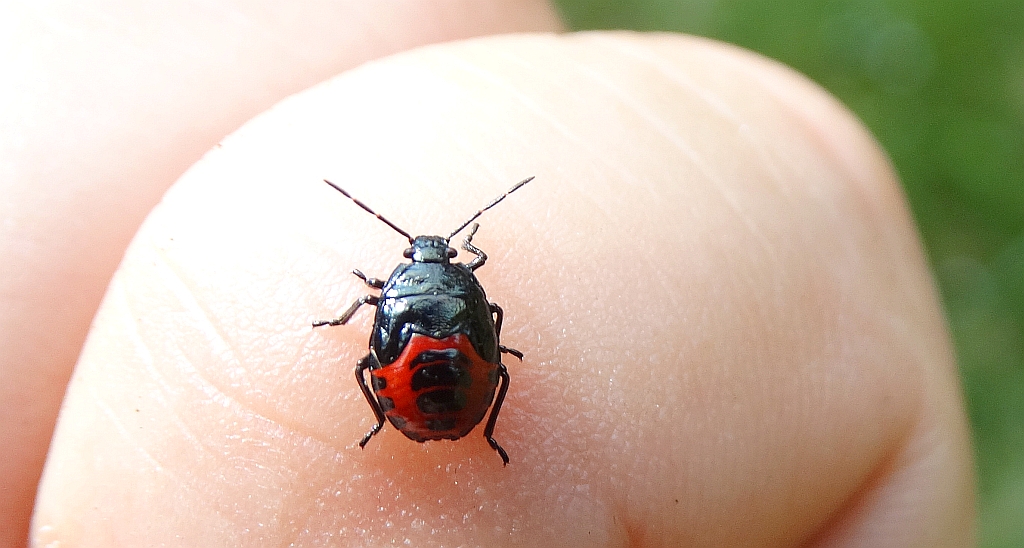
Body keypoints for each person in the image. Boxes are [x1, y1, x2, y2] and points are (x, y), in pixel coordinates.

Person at [2, 2, 974, 546]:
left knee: (364, 362)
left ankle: (389, 416)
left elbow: (386, 333)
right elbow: (487, 326)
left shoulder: (395, 296)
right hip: (466, 397)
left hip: (421, 397)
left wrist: (378, 367)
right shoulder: (467, 299)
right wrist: (476, 365)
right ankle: (459, 422)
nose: (427, 264)